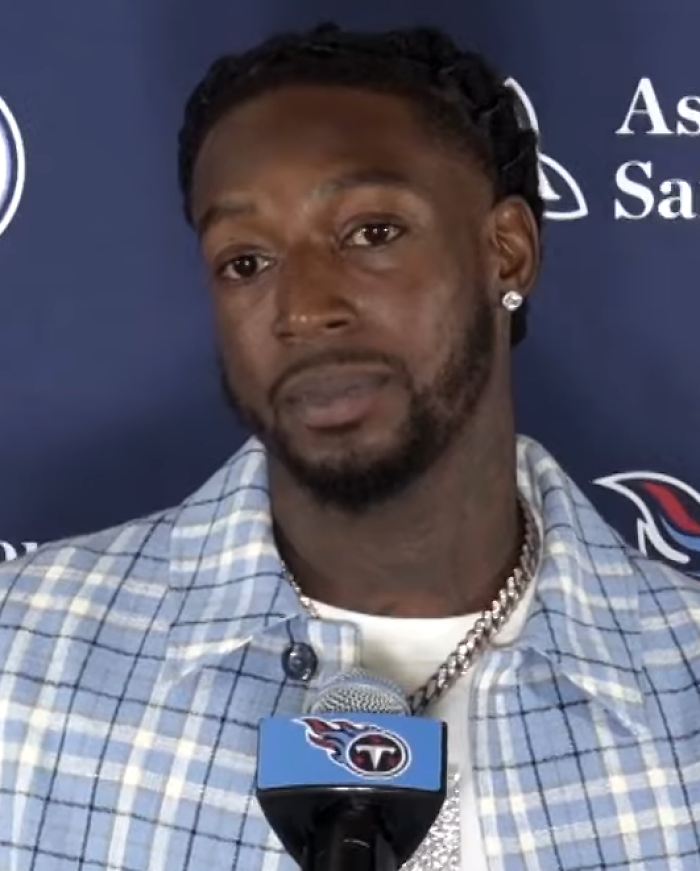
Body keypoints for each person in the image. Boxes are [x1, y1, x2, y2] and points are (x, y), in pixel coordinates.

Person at [1, 22, 699, 871]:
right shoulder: (21, 652)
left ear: (505, 253)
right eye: (247, 260)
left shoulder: (685, 680)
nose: (303, 308)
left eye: (371, 233)